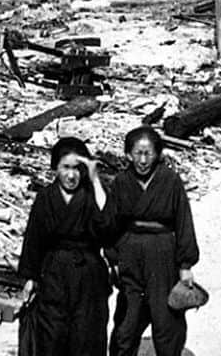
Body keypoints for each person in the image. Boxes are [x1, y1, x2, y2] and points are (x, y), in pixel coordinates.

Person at [106, 125, 199, 356]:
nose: (143, 160)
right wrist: (113, 259)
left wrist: (186, 265)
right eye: (138, 153)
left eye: (149, 153)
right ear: (128, 154)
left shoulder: (170, 180)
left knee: (165, 319)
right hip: (130, 253)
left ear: (158, 154)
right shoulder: (121, 182)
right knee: (127, 322)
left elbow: (183, 222)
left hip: (163, 253)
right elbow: (110, 224)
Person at [18, 135, 111, 356]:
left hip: (88, 277)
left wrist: (95, 178)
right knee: (52, 334)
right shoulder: (45, 198)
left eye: (77, 168)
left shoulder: (92, 195)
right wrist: (30, 278)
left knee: (86, 336)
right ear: (55, 168)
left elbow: (107, 223)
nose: (71, 175)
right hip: (54, 275)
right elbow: (34, 238)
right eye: (65, 167)